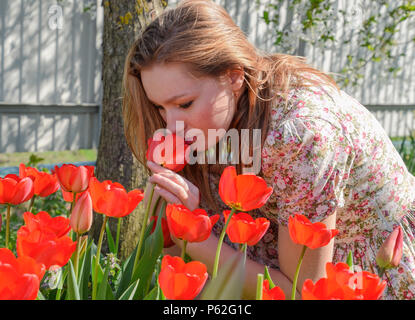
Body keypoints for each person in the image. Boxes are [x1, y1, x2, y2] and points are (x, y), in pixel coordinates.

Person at [122, 0, 415, 300]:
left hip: (365, 270)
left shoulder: (301, 136)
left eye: (184, 104)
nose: (171, 125)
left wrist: (196, 237)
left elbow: (301, 292)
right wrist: (168, 207)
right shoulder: (210, 127)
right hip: (258, 267)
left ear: (234, 76)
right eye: (160, 107)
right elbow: (170, 256)